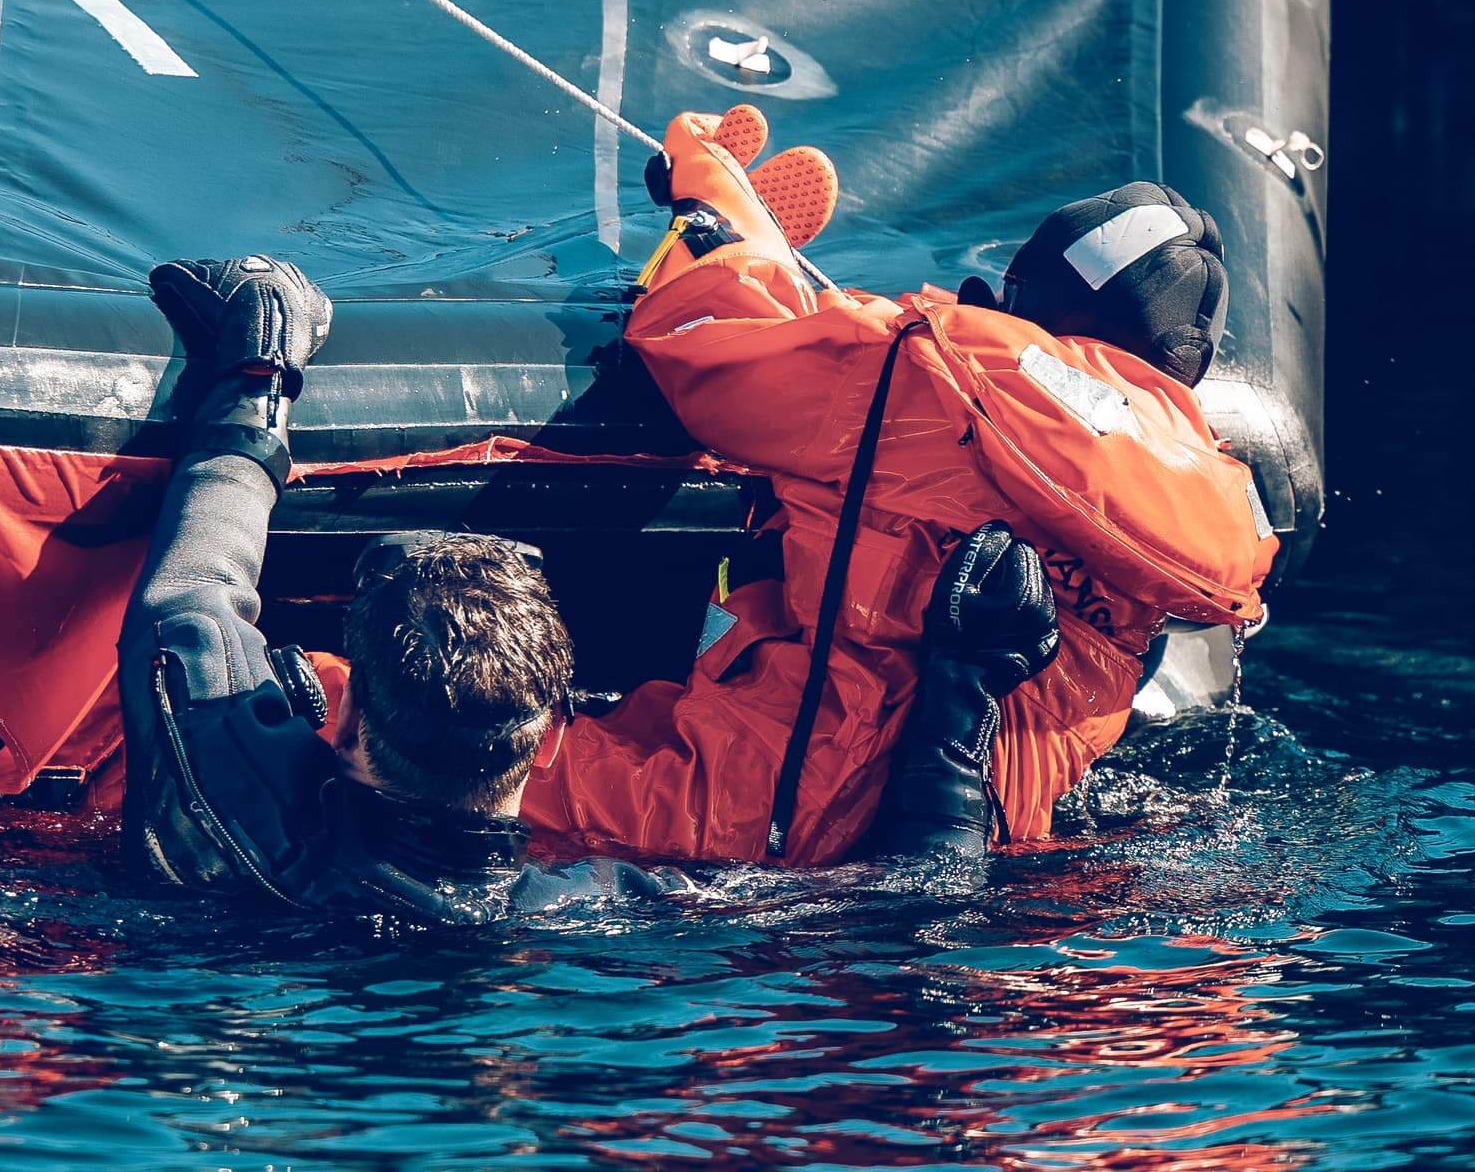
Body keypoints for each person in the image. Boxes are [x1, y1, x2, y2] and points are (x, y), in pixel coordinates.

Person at [117, 256, 1055, 920]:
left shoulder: (243, 808)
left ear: (350, 723)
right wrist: (964, 682)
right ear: (542, 748)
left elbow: (194, 595)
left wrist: (259, 369)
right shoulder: (593, 910)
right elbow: (916, 896)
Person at [521, 110, 1277, 862]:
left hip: (735, 816)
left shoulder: (935, 376)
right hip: (984, 850)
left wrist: (712, 200)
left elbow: (707, 345)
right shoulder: (1190, 506)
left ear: (1028, 300)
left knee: (448, 757)